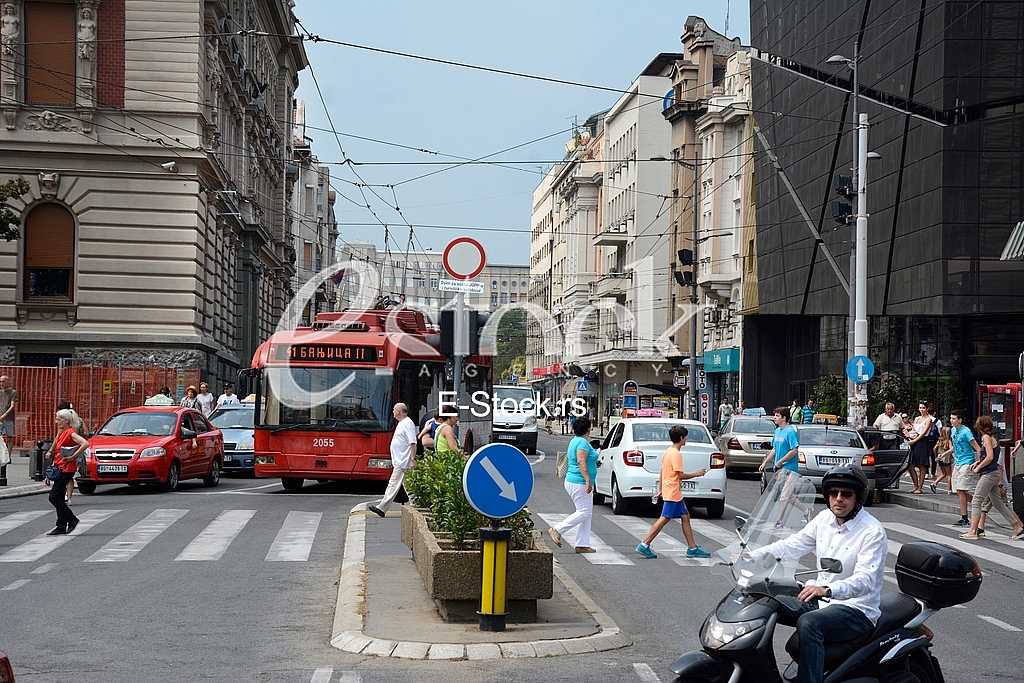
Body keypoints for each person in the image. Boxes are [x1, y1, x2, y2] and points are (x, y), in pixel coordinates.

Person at [748, 465, 887, 683]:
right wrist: (752, 556)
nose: (838, 499)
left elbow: (865, 580)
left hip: (856, 609)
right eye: (834, 492)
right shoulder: (824, 519)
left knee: (809, 623)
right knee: (763, 599)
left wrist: (826, 589)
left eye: (846, 494)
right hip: (821, 600)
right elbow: (792, 545)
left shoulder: (872, 531)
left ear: (858, 498)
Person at [634, 424, 711, 559]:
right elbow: (679, 475)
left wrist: (660, 490)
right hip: (673, 491)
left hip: (673, 491)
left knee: (685, 516)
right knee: (664, 518)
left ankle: (692, 548)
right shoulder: (676, 454)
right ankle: (644, 544)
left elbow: (663, 472)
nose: (686, 439)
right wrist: (696, 473)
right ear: (681, 438)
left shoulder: (668, 452)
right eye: (685, 437)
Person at [960, 416, 1024, 540]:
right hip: (993, 473)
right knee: (998, 503)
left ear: (980, 426)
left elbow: (990, 457)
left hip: (989, 474)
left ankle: (973, 531)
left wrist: (979, 467)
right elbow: (990, 457)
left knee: (977, 500)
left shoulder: (986, 437)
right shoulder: (992, 437)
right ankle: (1017, 527)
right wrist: (978, 462)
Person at [548, 416, 599, 553]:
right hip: (579, 481)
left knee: (586, 513)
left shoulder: (575, 440)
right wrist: (587, 480)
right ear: (588, 428)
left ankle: (582, 544)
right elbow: (581, 462)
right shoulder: (582, 442)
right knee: (584, 512)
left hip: (574, 480)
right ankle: (557, 529)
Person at [760, 406, 812, 527]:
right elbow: (774, 448)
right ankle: (806, 511)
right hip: (780, 469)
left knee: (784, 495)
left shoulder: (790, 432)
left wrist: (781, 461)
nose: (774, 418)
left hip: (791, 468)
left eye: (777, 416)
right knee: (789, 496)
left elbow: (794, 450)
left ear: (784, 418)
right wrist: (765, 462)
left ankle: (779, 521)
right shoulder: (777, 431)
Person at [43, 409, 89, 536]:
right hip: (59, 467)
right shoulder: (61, 433)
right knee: (59, 497)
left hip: (67, 469)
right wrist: (50, 473)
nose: (56, 422)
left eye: (59, 419)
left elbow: (85, 443)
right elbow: (58, 453)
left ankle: (72, 519)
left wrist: (73, 456)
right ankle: (61, 525)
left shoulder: (71, 433)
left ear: (66, 421)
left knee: (53, 497)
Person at [368, 403, 418, 518]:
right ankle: (416, 505)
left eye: (394, 410)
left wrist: (412, 459)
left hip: (403, 461)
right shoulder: (403, 423)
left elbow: (413, 443)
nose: (393, 412)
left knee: (393, 484)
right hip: (401, 461)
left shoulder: (407, 424)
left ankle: (382, 507)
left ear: (398, 412)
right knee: (408, 486)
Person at [948, 409, 980, 527]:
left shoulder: (966, 432)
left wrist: (978, 462)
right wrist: (945, 454)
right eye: (951, 418)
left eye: (954, 418)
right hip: (958, 462)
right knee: (957, 491)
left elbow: (977, 448)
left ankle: (964, 517)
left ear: (960, 420)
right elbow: (955, 447)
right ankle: (977, 504)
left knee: (961, 490)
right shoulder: (953, 430)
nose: (951, 420)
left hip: (967, 462)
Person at [906, 402, 935, 494]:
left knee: (921, 465)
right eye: (920, 408)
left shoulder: (929, 419)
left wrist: (914, 440)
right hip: (914, 440)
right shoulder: (917, 418)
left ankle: (920, 487)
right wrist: (909, 436)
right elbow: (914, 430)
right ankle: (915, 485)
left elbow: (923, 433)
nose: (921, 410)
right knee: (911, 465)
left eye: (923, 408)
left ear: (927, 409)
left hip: (922, 442)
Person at [932, 427, 953, 494]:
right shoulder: (948, 441)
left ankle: (934, 483)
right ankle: (949, 490)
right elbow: (951, 449)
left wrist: (936, 456)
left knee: (943, 473)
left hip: (940, 458)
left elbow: (934, 448)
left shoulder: (940, 440)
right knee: (949, 475)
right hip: (946, 459)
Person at [0, 374, 18, 448]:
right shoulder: (0, 392)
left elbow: (12, 406)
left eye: (3, 381)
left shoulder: (13, 392)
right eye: (0, 381)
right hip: (0, 417)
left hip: (9, 418)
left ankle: (8, 454)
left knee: (10, 437)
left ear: (8, 382)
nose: (1, 383)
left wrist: (5, 415)